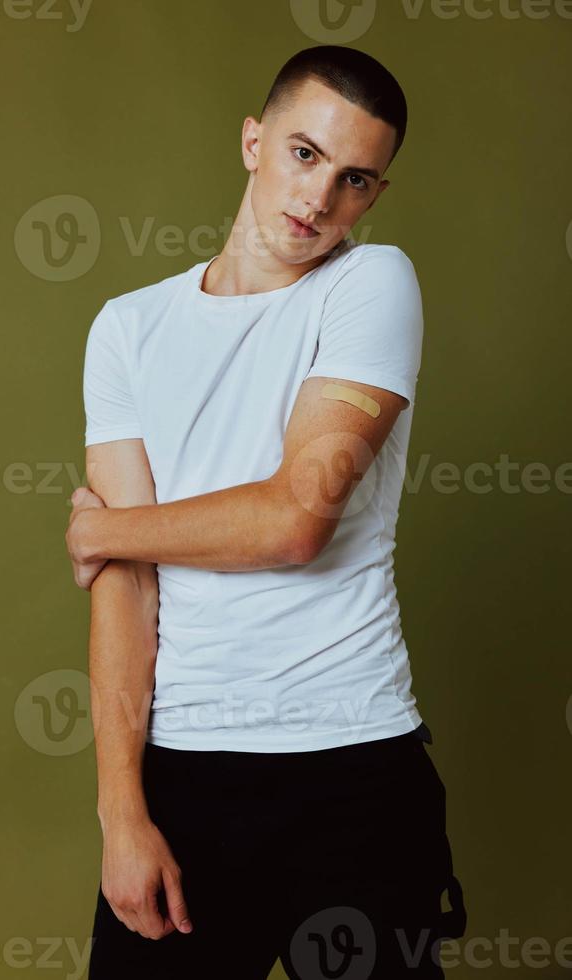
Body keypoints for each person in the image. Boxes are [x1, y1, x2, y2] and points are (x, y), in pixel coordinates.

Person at [67, 44, 467, 979]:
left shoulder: (372, 286)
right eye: (303, 154)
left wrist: (102, 529)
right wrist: (122, 813)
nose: (320, 200)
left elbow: (296, 518)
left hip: (354, 765)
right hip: (187, 768)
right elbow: (125, 591)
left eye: (355, 179)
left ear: (376, 192)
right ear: (253, 141)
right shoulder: (128, 328)